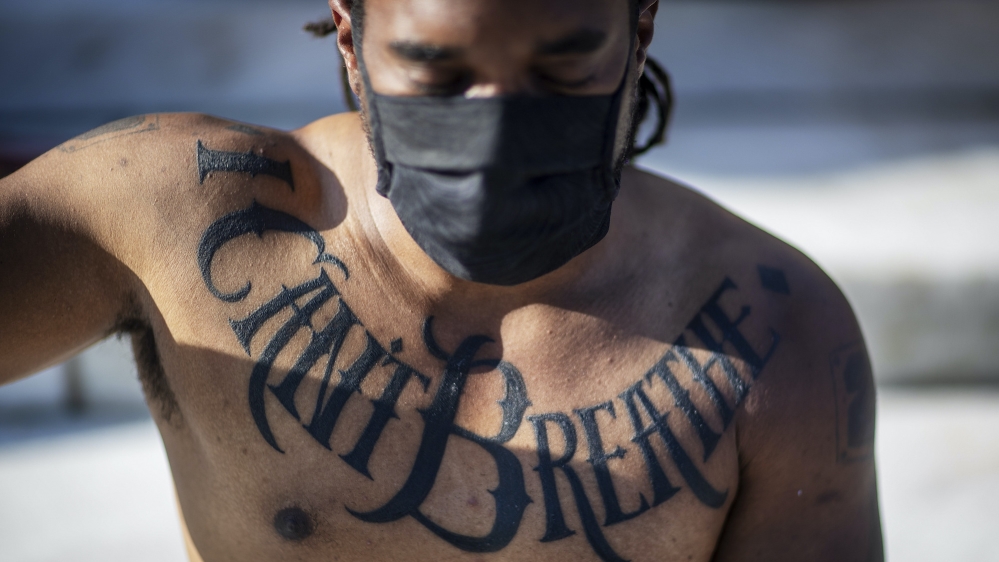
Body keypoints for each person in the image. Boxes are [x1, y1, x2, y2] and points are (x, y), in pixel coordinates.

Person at [0, 0, 883, 560]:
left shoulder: (775, 333)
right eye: (436, 71)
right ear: (351, 36)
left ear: (638, 25)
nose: (495, 130)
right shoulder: (166, 211)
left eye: (561, 68)